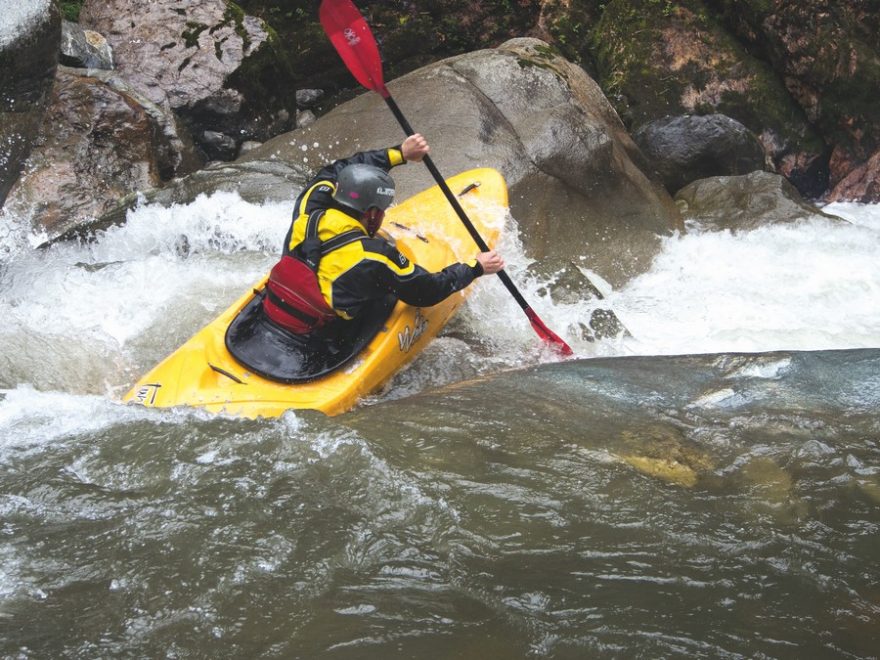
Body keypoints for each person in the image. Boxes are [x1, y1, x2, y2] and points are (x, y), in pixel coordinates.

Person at [262, 133, 504, 336]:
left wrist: (399, 153)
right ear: (373, 213)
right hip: (321, 331)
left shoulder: (309, 206)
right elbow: (427, 290)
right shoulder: (374, 256)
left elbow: (338, 169)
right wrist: (475, 268)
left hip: (281, 302)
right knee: (385, 291)